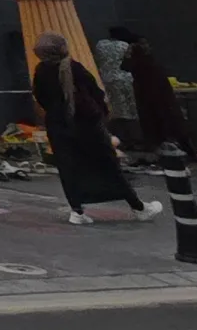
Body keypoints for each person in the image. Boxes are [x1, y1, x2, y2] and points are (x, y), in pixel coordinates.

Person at [31, 32, 159, 224]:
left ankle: (77, 212)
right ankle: (138, 207)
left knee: (69, 168)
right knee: (107, 164)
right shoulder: (74, 68)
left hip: (58, 126)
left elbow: (40, 97)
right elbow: (95, 93)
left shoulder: (41, 71)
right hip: (86, 125)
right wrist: (102, 115)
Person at [120, 27, 197, 160]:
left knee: (171, 122)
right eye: (142, 44)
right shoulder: (141, 58)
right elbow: (126, 67)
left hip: (157, 94)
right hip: (151, 95)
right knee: (163, 123)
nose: (145, 46)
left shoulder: (147, 59)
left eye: (145, 44)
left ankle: (186, 151)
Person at [94, 28, 144, 156]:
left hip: (105, 80)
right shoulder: (124, 45)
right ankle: (132, 139)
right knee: (130, 110)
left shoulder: (100, 44)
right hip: (124, 81)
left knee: (113, 109)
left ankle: (116, 138)